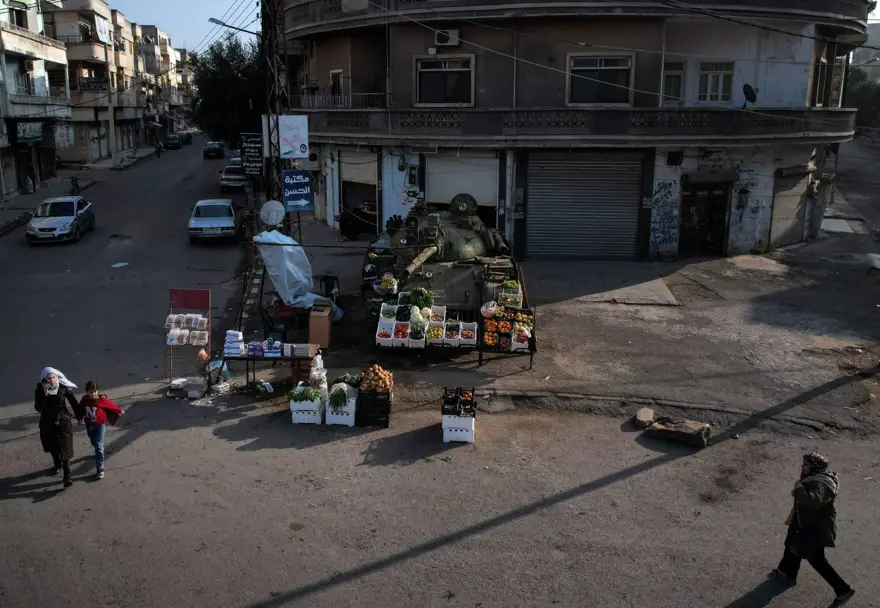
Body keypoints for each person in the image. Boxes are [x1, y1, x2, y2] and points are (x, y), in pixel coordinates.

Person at [771, 453, 855, 606]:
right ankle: (788, 573)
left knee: (816, 559)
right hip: (803, 523)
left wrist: (799, 488)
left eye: (806, 465)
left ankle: (843, 590)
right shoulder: (813, 478)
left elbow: (811, 501)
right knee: (792, 544)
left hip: (816, 528)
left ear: (814, 467)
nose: (802, 467)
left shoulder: (821, 484)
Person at [34, 368, 80, 488]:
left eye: (54, 377)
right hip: (47, 422)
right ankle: (57, 463)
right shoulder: (40, 389)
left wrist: (80, 416)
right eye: (49, 378)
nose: (52, 380)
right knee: (51, 445)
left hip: (63, 420)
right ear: (44, 380)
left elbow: (73, 402)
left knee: (65, 447)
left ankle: (67, 476)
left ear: (57, 377)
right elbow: (38, 407)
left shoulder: (63, 388)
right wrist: (45, 394)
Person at [78, 381, 124, 480]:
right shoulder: (84, 400)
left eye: (95, 391)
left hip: (100, 426)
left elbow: (111, 405)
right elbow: (80, 409)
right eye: (91, 392)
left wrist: (119, 410)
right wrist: (79, 417)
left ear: (98, 391)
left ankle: (100, 468)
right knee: (94, 442)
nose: (93, 394)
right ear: (87, 392)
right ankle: (98, 453)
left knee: (99, 446)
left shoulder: (102, 400)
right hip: (89, 426)